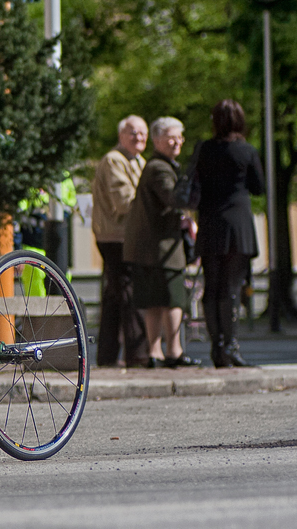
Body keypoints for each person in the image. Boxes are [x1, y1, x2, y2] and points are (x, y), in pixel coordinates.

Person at [124, 117, 201, 369]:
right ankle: (173, 352)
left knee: (155, 301)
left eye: (180, 136)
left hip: (151, 247)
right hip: (161, 248)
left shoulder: (159, 165)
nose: (178, 141)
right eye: (172, 136)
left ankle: (156, 353)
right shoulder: (160, 167)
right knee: (172, 299)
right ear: (157, 140)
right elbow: (173, 198)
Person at [195, 100, 264, 368]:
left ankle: (216, 348)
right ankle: (231, 346)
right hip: (238, 224)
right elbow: (258, 187)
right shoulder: (246, 150)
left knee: (211, 287)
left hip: (210, 222)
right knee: (231, 288)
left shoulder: (203, 149)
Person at [91, 115, 149, 367]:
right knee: (128, 294)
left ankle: (108, 355)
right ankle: (138, 356)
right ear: (121, 135)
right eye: (133, 133)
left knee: (115, 296)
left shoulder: (138, 160)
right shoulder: (115, 160)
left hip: (125, 236)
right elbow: (125, 202)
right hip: (116, 237)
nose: (138, 137)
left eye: (142, 133)